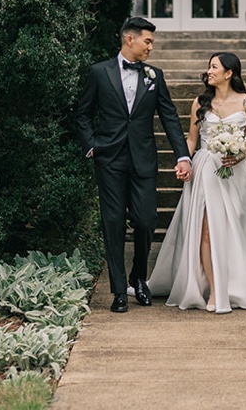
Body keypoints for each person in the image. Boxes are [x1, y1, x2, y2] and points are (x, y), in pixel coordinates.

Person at [75, 17, 192, 314]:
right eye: (148, 41)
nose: (151, 47)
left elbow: (169, 118)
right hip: (109, 159)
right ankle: (118, 291)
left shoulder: (155, 76)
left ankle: (138, 277)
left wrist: (182, 155)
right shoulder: (99, 72)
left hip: (142, 159)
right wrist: (91, 146)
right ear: (130, 39)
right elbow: (83, 113)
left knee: (145, 220)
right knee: (113, 223)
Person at [148, 51, 246, 312]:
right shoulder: (199, 102)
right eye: (209, 67)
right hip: (205, 169)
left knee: (231, 230)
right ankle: (215, 292)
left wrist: (238, 156)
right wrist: (184, 160)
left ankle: (235, 284)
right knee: (205, 229)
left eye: (214, 67)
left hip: (234, 174)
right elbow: (192, 138)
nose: (209, 71)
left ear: (229, 73)